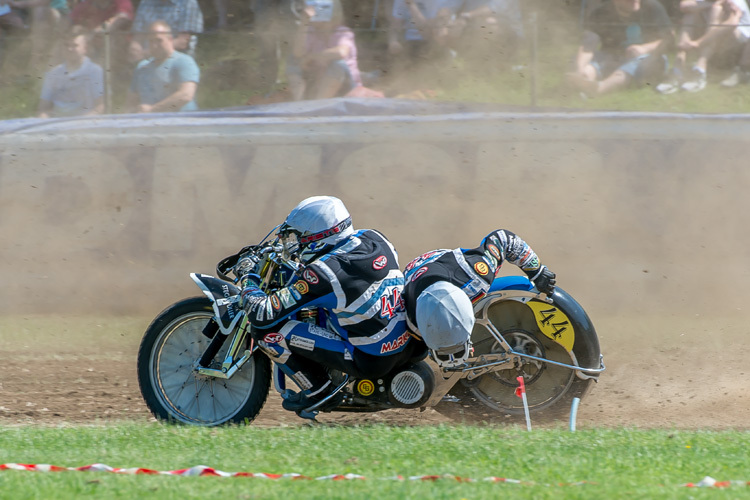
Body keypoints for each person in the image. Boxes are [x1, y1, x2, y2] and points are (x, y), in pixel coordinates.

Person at [238, 196, 415, 414]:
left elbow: (262, 313)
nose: (296, 245)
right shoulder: (375, 238)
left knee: (265, 331)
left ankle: (320, 392)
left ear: (319, 238)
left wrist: (248, 277)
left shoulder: (324, 272)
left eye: (300, 238)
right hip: (405, 341)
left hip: (371, 359)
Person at [402, 229, 556, 368]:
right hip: (412, 279)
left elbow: (503, 239)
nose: (453, 359)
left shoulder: (475, 276)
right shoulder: (406, 318)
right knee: (412, 354)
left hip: (447, 268)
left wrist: (537, 270)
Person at [567, 0, 673, 97]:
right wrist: (580, 70)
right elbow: (587, 46)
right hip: (612, 58)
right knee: (583, 60)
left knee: (644, 62)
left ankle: (600, 88)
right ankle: (584, 80)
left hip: (648, 58)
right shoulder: (601, 12)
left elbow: (669, 39)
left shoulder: (652, 7)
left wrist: (644, 48)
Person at [657, 0, 750, 93]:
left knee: (716, 10)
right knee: (691, 14)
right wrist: (710, 4)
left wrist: (699, 42)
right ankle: (678, 67)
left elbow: (732, 23)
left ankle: (701, 69)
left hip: (740, 45)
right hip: (718, 43)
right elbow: (684, 6)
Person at [286, 0, 362, 100]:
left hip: (345, 86)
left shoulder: (343, 32)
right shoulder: (311, 31)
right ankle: (300, 103)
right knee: (293, 60)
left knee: (338, 64)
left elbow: (341, 52)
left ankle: (319, 104)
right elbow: (297, 54)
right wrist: (304, 22)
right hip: (320, 82)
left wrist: (312, 56)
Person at [127, 20, 200, 112]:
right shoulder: (142, 67)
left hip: (182, 122)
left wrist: (153, 109)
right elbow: (130, 102)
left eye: (159, 40)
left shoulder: (184, 61)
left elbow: (186, 95)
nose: (154, 45)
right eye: (151, 41)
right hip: (148, 124)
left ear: (170, 39)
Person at [37, 27, 104, 117]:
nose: (70, 49)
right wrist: (43, 118)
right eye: (66, 45)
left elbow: (99, 107)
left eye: (75, 45)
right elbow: (43, 108)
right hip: (57, 124)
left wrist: (81, 123)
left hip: (84, 124)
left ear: (85, 48)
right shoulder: (53, 73)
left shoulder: (94, 71)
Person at [446, 0, 524, 68]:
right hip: (473, 24)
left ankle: (499, 62)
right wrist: (448, 17)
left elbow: (492, 8)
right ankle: (451, 63)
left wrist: (466, 17)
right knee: (445, 27)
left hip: (509, 31)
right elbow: (452, 4)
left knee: (487, 24)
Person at [130, 0, 203, 59]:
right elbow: (138, 36)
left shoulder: (188, 3)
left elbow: (182, 42)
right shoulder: (145, 2)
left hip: (177, 59)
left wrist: (146, 53)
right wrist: (135, 47)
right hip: (147, 61)